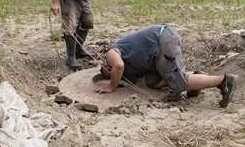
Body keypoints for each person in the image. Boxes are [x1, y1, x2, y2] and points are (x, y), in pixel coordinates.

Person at [94, 25, 237, 106]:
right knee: (152, 81)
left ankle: (223, 81)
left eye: (105, 71)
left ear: (107, 66)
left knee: (178, 83)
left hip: (163, 39)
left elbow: (118, 66)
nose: (105, 72)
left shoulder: (112, 53)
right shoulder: (128, 66)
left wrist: (111, 86)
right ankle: (196, 78)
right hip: (158, 51)